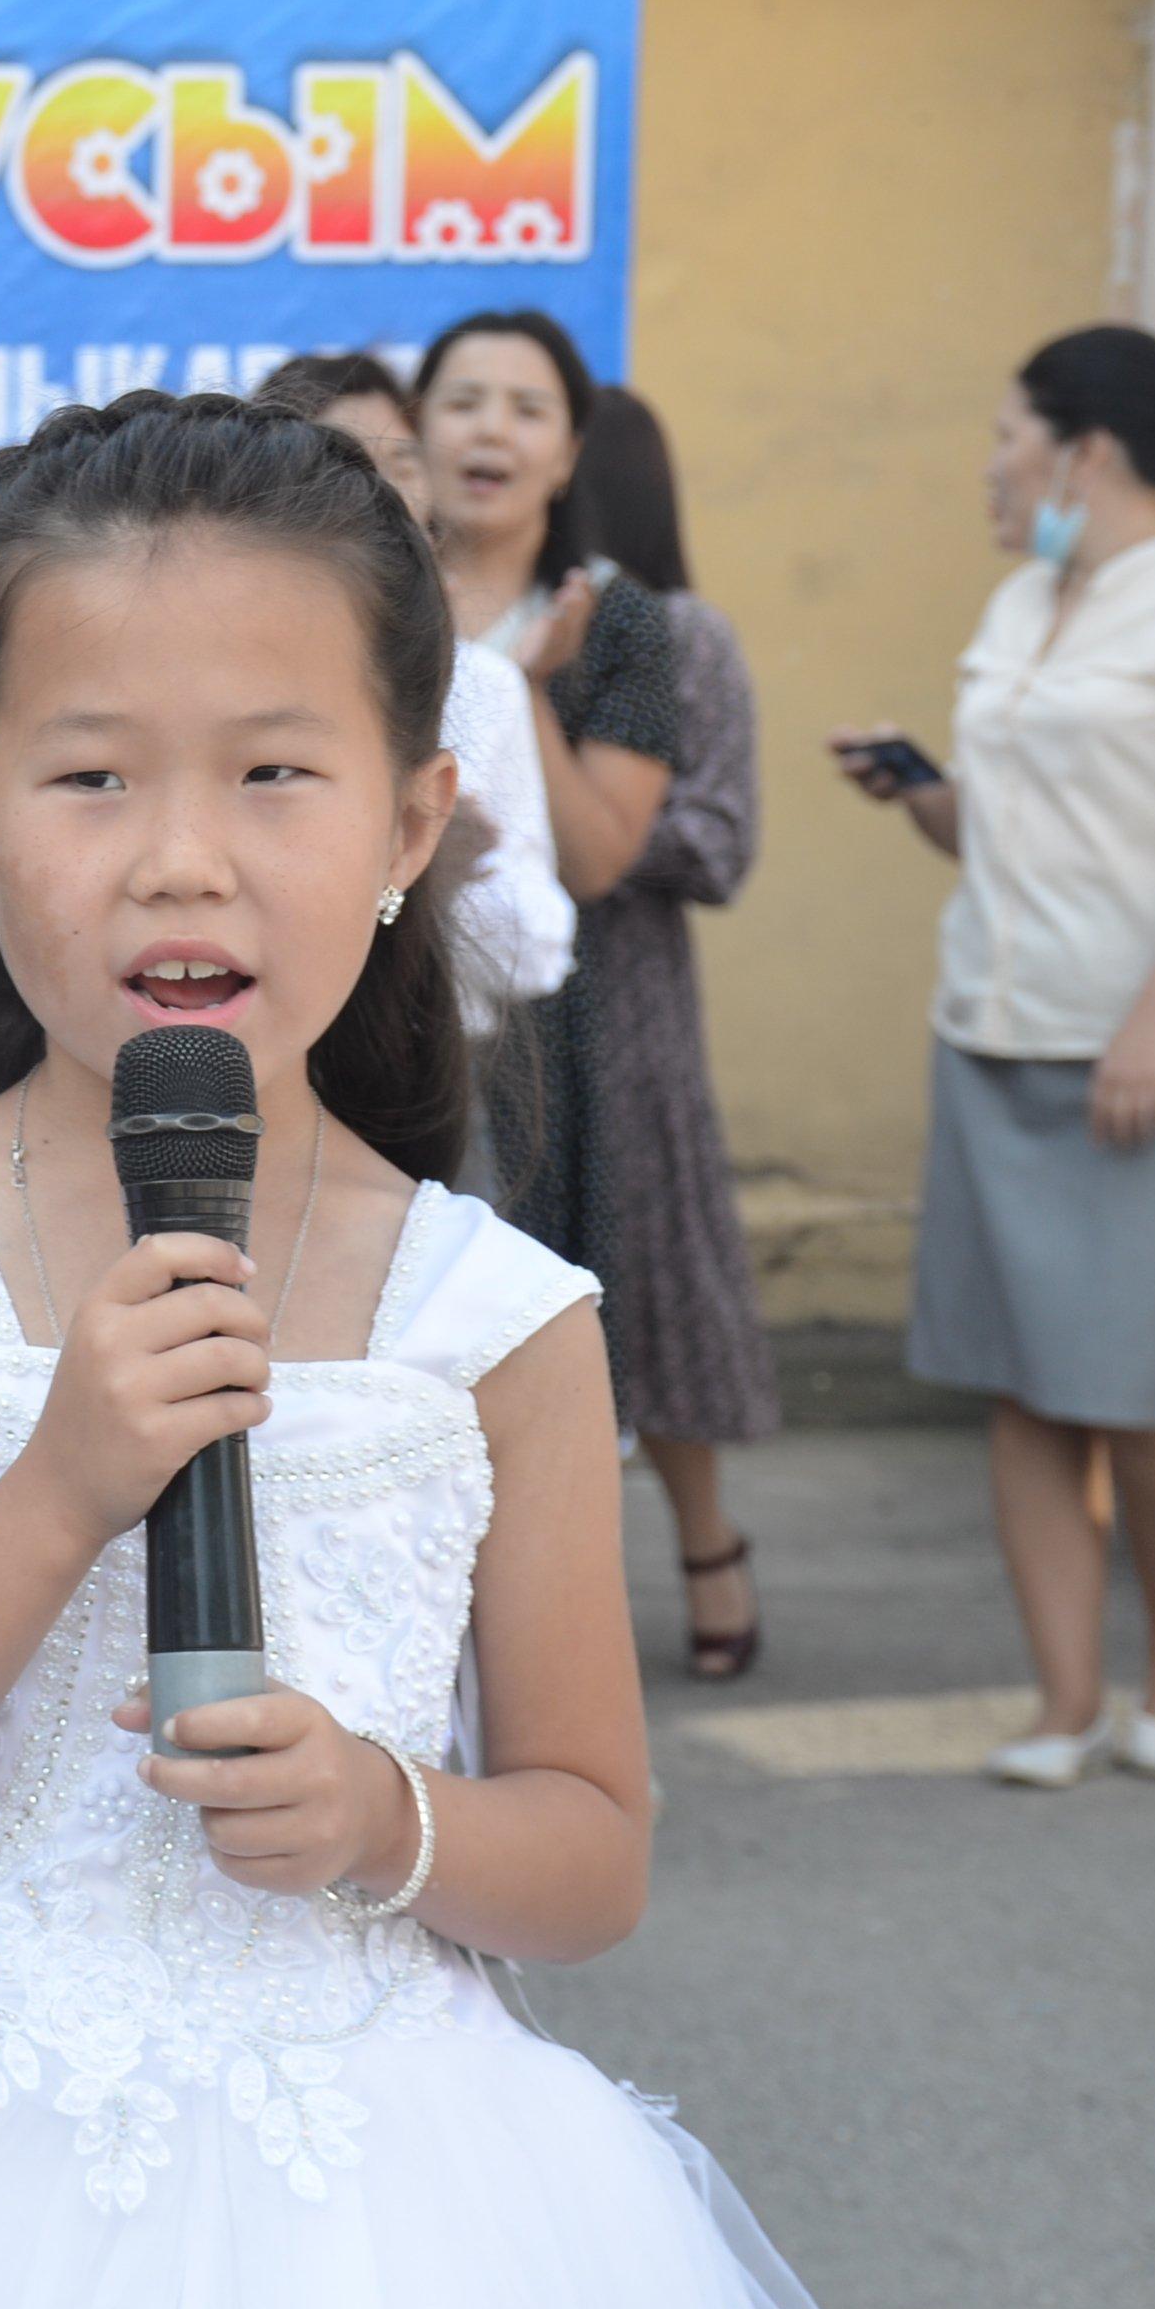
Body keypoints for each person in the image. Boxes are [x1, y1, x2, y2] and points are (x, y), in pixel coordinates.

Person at [0, 393, 832, 2309]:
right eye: (92, 777)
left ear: (411, 823)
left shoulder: (503, 1319)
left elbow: (592, 1854)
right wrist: (57, 1488)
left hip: (377, 2215)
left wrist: (386, 1815)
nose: (183, 860)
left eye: (276, 771)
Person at [834, 323, 1155, 1788]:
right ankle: (1064, 1702)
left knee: (1142, 1393)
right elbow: (1003, 829)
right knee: (1022, 1386)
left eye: (1007, 436)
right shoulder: (1026, 598)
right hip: (989, 1028)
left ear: (1085, 451)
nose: (991, 467)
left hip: (1128, 1052)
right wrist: (920, 790)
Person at [415, 313, 683, 1363]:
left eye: (528, 411)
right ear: (417, 430)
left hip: (532, 1027)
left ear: (568, 455)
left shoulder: (620, 624)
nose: (492, 431)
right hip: (363, 1004)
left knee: (507, 1324)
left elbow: (601, 859)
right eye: (463, 403)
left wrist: (518, 687)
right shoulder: (360, 599)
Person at [572, 386, 783, 1678]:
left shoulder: (682, 637)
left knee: (654, 1293)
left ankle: (709, 1547)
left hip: (627, 1011)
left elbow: (717, 839)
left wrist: (577, 816)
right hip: (479, 1012)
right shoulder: (478, 626)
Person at [256, 350, 577, 1028]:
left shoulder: (483, 684)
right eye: (350, 465)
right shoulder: (229, 686)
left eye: (404, 464)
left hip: (435, 1063)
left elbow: (539, 958)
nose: (389, 493)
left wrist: (441, 869)